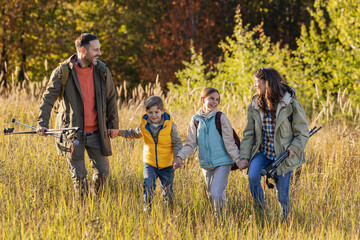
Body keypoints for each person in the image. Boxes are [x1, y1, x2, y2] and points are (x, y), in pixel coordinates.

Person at [37, 33, 119, 198]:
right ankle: (83, 210)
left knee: (103, 172)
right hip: (71, 133)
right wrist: (42, 122)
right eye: (95, 50)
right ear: (83, 51)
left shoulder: (102, 70)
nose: (99, 53)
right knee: (80, 178)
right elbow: (47, 99)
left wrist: (113, 125)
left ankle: (95, 200)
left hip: (97, 133)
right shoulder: (62, 72)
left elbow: (111, 99)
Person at [239, 67, 309, 218]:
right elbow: (249, 134)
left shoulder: (291, 105)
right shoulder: (255, 105)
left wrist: (293, 149)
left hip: (283, 156)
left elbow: (302, 133)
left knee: (282, 196)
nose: (255, 85)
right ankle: (260, 211)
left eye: (258, 82)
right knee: (252, 177)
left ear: (268, 83)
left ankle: (286, 222)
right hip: (263, 153)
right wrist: (244, 157)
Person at [173, 87, 247, 216]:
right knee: (210, 194)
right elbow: (190, 145)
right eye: (211, 98)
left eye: (217, 99)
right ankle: (221, 219)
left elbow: (229, 142)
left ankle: (222, 220)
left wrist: (238, 160)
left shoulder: (221, 117)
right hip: (206, 164)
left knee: (216, 193)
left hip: (223, 162)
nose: (215, 102)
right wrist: (180, 157)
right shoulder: (195, 120)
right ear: (202, 100)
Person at [108, 96, 182, 211]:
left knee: (167, 191)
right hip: (150, 163)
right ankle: (147, 211)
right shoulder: (144, 124)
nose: (153, 115)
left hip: (167, 165)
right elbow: (133, 133)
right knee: (148, 187)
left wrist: (177, 158)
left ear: (162, 111)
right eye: (150, 112)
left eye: (156, 112)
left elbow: (177, 143)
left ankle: (169, 213)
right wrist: (118, 132)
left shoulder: (170, 126)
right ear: (146, 112)